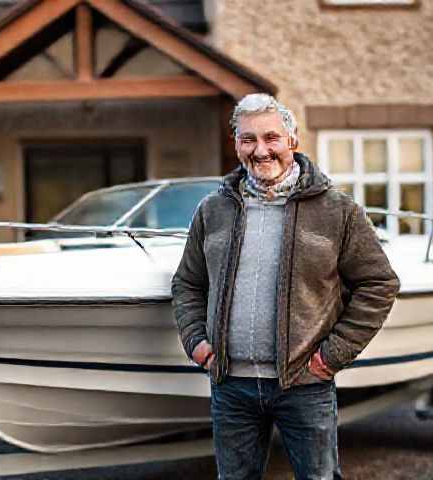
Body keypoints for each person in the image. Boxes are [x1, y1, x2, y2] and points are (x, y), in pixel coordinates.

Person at [171, 93, 400, 480]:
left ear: (292, 140)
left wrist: (332, 356)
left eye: (271, 138)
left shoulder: (337, 211)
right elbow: (188, 283)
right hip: (231, 386)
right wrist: (197, 342)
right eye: (248, 140)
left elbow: (379, 284)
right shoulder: (213, 210)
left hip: (305, 385)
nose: (261, 151)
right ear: (237, 145)